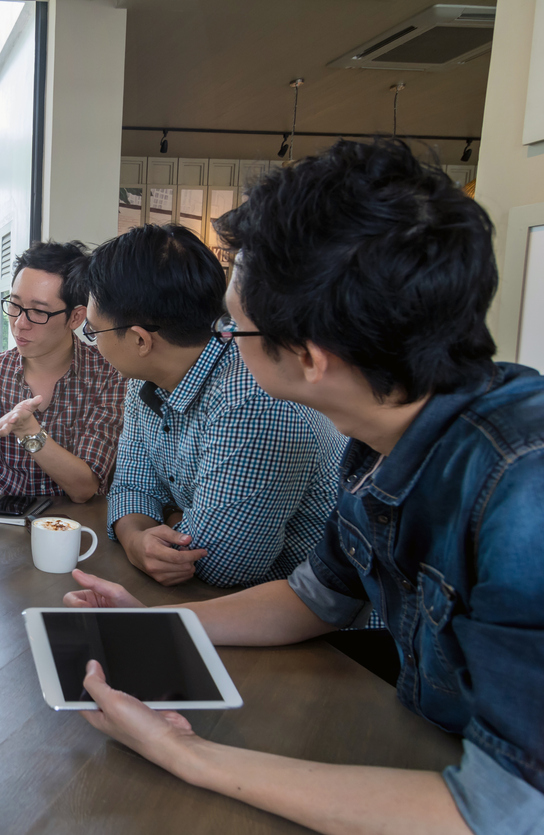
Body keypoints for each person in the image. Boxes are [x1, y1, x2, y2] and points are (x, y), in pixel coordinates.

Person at [65, 140, 544, 834]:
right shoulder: (383, 441)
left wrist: (186, 752)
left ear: (310, 358)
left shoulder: (523, 494)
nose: (222, 337)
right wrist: (157, 623)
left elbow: (499, 816)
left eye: (236, 324)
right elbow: (312, 598)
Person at [82, 225, 343, 588]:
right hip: (234, 606)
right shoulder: (144, 380)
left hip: (328, 629)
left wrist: (170, 520)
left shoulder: (250, 397)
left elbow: (223, 563)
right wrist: (137, 538)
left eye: (94, 331)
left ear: (141, 340)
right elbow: (130, 486)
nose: (93, 343)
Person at [0, 241, 129, 502]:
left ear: (76, 317)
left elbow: (84, 488)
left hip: (78, 531)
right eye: (15, 305)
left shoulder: (108, 376)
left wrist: (29, 432)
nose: (20, 324)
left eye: (38, 312)